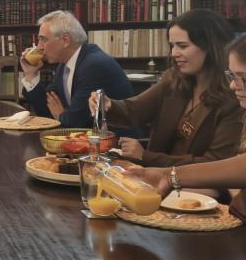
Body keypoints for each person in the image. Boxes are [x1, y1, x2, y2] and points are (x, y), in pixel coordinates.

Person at [89, 9, 243, 168]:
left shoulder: (235, 96)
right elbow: (135, 110)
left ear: (210, 46)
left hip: (191, 181)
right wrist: (108, 105)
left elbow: (215, 163)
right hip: (156, 175)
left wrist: (146, 156)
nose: (174, 53)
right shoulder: (173, 79)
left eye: (182, 46)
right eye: (172, 45)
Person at [128, 33, 246, 196]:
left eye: (243, 78)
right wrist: (169, 176)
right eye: (232, 76)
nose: (232, 85)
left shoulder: (230, 103)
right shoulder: (175, 79)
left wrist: (159, 168)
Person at [20, 10, 133, 128]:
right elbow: (47, 110)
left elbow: (76, 122)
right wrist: (31, 75)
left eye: (44, 40)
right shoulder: (64, 64)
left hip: (117, 138)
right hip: (87, 136)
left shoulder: (94, 65)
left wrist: (60, 116)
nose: (39, 47)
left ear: (65, 40)